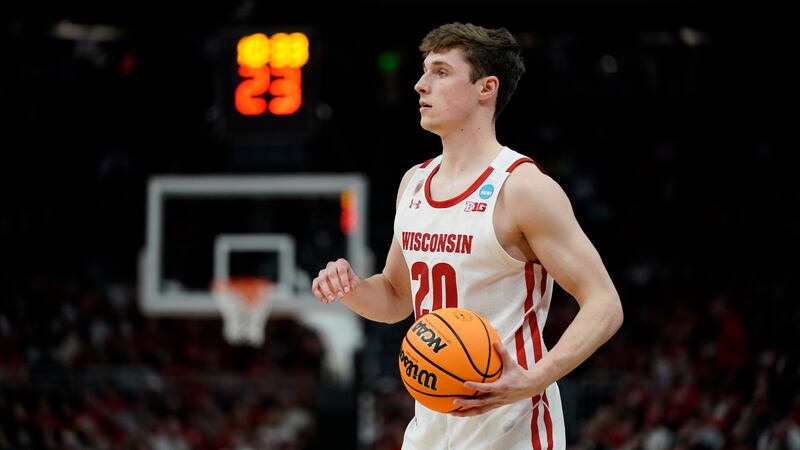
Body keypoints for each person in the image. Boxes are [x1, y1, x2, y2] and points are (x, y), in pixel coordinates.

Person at [312, 22, 623, 449]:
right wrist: (349, 289)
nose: (421, 85)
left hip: (510, 427)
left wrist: (534, 378)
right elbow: (396, 298)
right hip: (430, 425)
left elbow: (605, 303)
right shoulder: (414, 183)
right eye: (424, 71)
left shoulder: (523, 187)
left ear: (486, 88)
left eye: (440, 72)